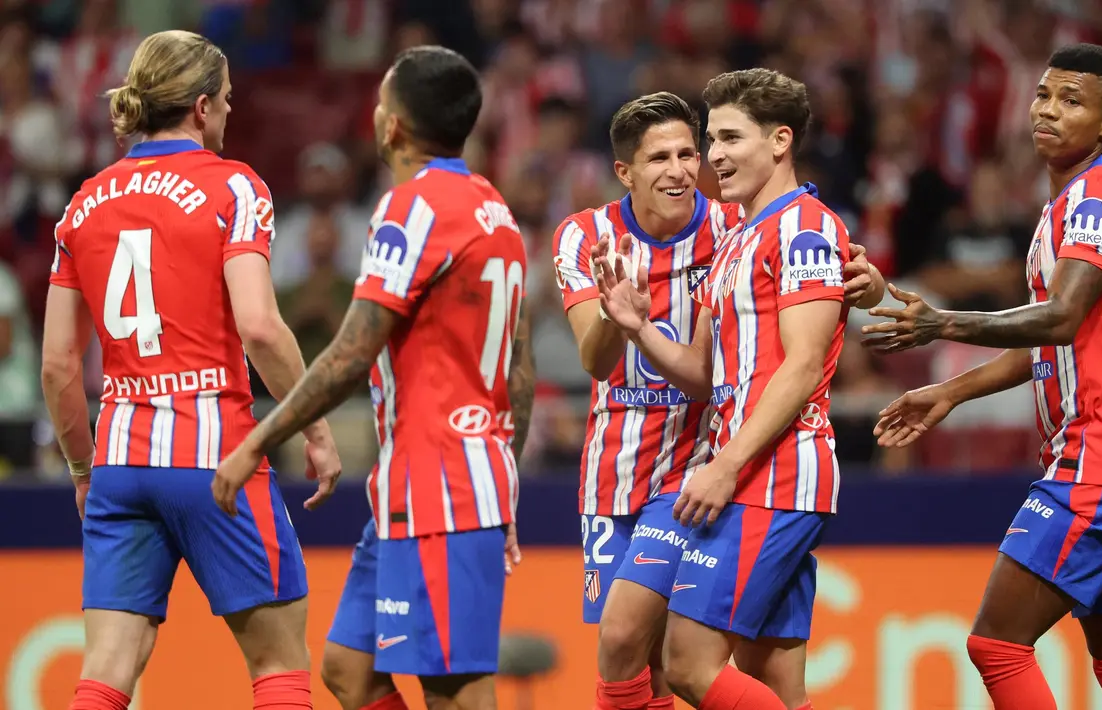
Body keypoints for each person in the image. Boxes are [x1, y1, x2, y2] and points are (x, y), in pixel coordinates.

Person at [212, 46, 534, 710]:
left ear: (393, 125)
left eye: (382, 100)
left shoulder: (410, 209)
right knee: (349, 667)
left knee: (456, 692)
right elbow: (519, 367)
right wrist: (505, 471)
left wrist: (254, 441)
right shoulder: (492, 209)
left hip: (442, 483)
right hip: (426, 483)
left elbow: (350, 354)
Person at [862, 43, 1102, 710]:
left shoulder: (1093, 200)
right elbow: (1053, 340)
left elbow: (1058, 319)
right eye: (1042, 94)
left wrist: (941, 324)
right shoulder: (1072, 201)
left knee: (996, 645)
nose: (1047, 110)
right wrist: (951, 390)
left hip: (1101, 456)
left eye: (1071, 101)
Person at [41, 30, 342, 710]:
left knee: (108, 668)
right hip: (215, 458)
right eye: (229, 101)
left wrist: (84, 470)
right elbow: (260, 326)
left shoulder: (83, 202)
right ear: (202, 107)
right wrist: (313, 427)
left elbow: (59, 366)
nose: (231, 114)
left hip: (120, 458)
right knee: (278, 664)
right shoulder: (234, 185)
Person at [556, 90, 883, 710]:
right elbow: (604, 362)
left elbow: (821, 302)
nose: (686, 168)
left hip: (712, 465)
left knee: (644, 644)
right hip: (615, 469)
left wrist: (870, 283)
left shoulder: (739, 221)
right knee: (763, 673)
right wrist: (625, 320)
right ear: (626, 171)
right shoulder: (587, 235)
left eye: (694, 151)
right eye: (663, 157)